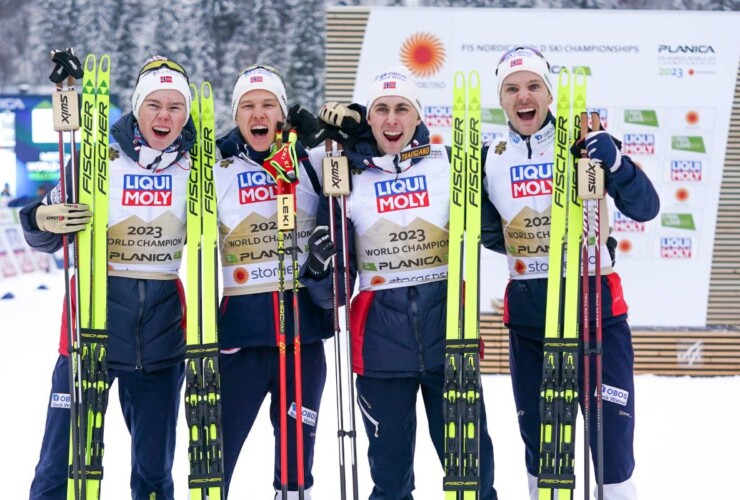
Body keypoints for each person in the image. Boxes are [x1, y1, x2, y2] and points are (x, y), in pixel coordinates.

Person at [302, 66, 498, 500]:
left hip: (450, 343)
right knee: (390, 483)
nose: (392, 119)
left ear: (418, 116)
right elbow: (333, 290)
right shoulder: (346, 179)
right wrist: (317, 269)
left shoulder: (448, 165)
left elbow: (500, 223)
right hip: (379, 353)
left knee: (473, 475)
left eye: (402, 109)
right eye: (382, 110)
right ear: (369, 118)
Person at [482, 47, 660, 499]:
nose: (524, 96)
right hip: (531, 320)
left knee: (612, 448)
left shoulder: (587, 141)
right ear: (501, 100)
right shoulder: (490, 157)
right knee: (544, 451)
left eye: (534, 86)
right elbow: (488, 231)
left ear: (549, 93)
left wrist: (616, 164)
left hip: (595, 311)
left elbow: (646, 207)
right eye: (512, 88)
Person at [20, 55, 195, 500]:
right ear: (137, 107)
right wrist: (40, 219)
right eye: (154, 103)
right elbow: (44, 231)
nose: (164, 115)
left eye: (176, 107)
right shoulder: (99, 157)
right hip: (90, 334)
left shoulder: (198, 167)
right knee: (59, 468)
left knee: (154, 475)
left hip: (161, 343)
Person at [214, 64, 334, 499]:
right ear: (237, 114)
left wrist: (332, 134)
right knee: (216, 455)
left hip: (302, 339)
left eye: (268, 104)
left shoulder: (313, 161)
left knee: (297, 461)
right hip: (238, 341)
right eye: (248, 105)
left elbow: (368, 152)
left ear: (283, 113)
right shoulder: (216, 165)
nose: (258, 113)